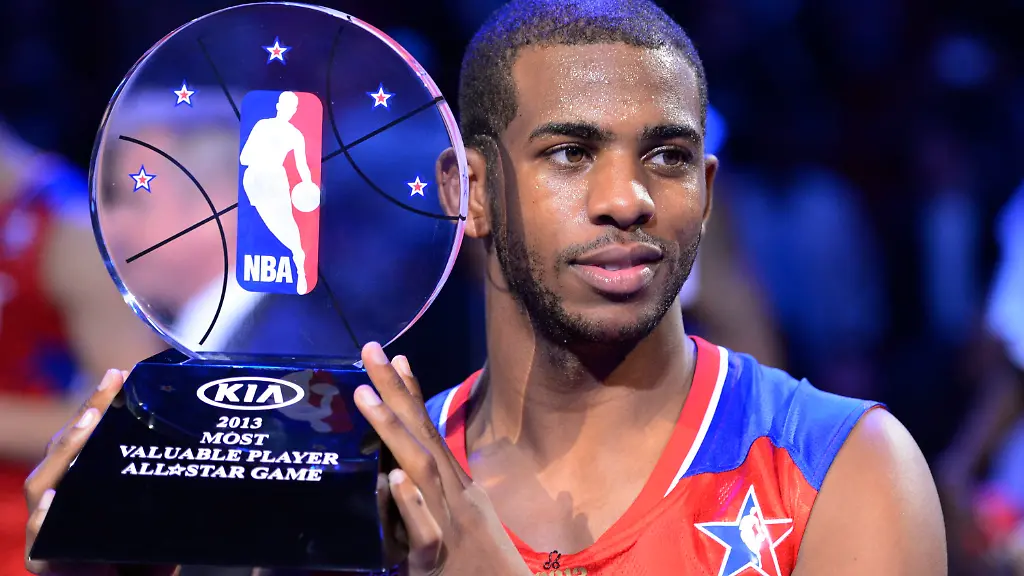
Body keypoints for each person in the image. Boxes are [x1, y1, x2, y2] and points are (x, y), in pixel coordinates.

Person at [23, 1, 946, 574]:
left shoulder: (838, 466)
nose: (626, 199)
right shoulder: (359, 492)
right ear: (467, 191)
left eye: (666, 157)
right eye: (570, 153)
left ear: (704, 193)